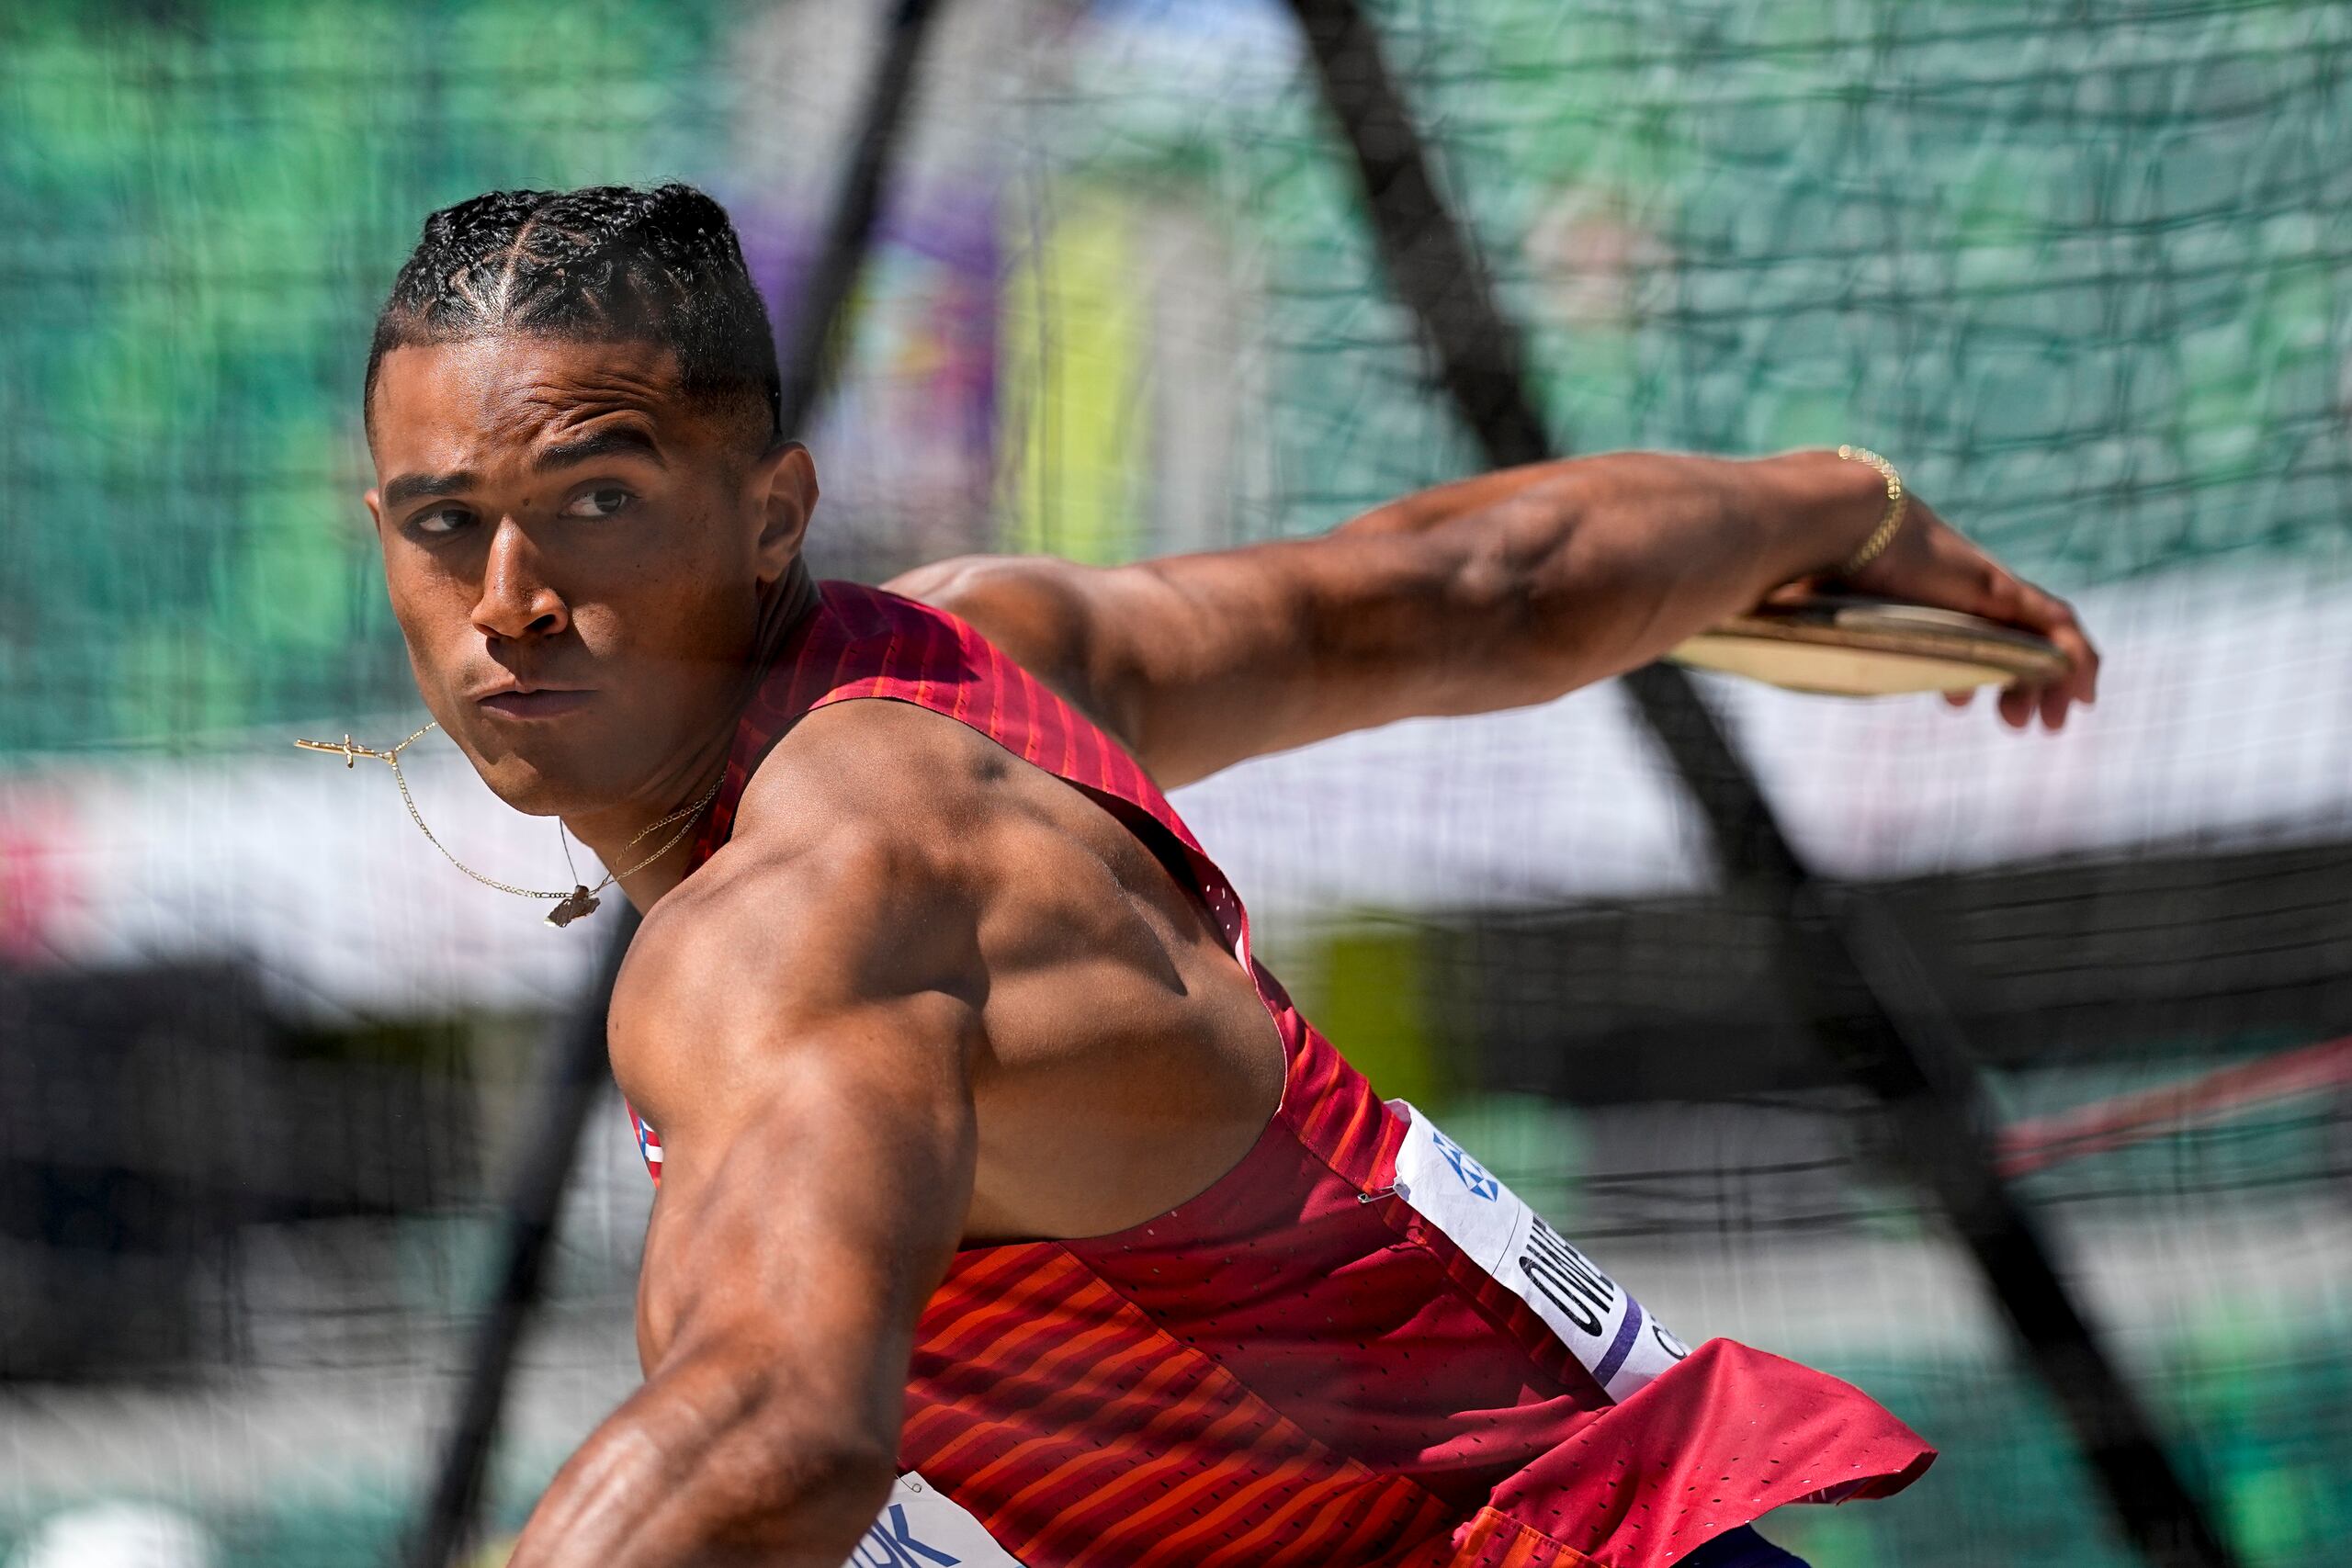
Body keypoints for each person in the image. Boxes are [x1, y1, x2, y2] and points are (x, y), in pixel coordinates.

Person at [356, 184, 2096, 1568]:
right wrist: (1835, 507)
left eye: (595, 501)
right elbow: (1465, 585)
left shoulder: (811, 912)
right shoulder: (976, 659)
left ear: (774, 512)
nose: (509, 594)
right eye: (445, 522)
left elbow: (773, 1436)